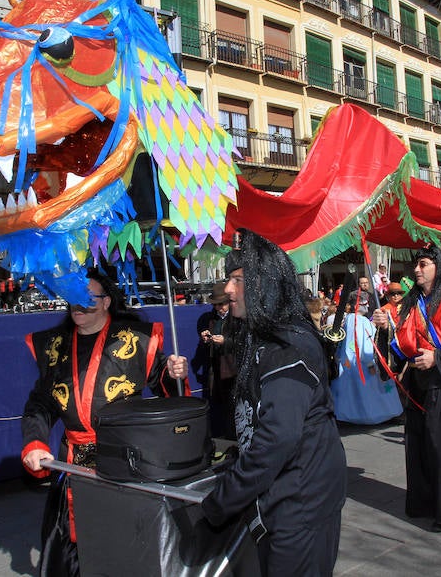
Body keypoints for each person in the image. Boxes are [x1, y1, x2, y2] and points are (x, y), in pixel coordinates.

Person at [20, 270, 189, 577]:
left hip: (125, 463)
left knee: (125, 548)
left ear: (107, 302)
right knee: (71, 553)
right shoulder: (55, 346)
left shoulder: (135, 340)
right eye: (73, 298)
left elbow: (169, 396)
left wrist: (174, 374)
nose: (79, 305)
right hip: (73, 466)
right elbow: (40, 405)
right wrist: (35, 443)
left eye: (88, 298)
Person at [201, 229, 346, 576]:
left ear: (264, 283)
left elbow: (276, 439)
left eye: (239, 280)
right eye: (229, 280)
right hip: (280, 498)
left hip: (302, 502)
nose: (229, 290)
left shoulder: (288, 347)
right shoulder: (260, 336)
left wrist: (222, 500)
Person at [372, 245, 441, 532]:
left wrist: (438, 357)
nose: (417, 270)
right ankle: (423, 503)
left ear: (438, 266)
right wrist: (386, 327)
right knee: (418, 447)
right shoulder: (410, 304)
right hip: (418, 388)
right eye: (416, 265)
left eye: (423, 264)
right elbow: (399, 347)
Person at [200, 283, 238, 439]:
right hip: (217, 372)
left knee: (234, 409)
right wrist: (206, 338)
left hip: (233, 371)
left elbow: (243, 342)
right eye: (216, 305)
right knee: (222, 409)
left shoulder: (238, 318)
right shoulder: (211, 319)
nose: (218, 308)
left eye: (221, 304)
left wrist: (226, 341)